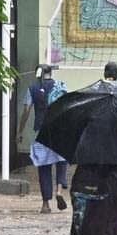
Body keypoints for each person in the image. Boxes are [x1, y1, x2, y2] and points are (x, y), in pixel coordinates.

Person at [16, 65, 69, 214]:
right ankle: (59, 191)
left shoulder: (32, 88)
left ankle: (45, 204)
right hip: (60, 130)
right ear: (51, 73)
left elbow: (26, 110)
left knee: (44, 166)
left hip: (41, 131)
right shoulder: (61, 86)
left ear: (37, 73)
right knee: (61, 161)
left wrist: (20, 131)